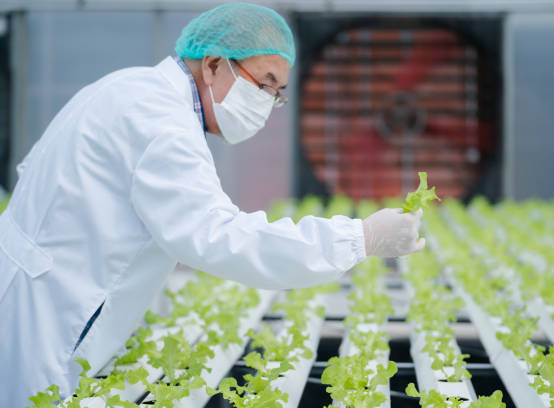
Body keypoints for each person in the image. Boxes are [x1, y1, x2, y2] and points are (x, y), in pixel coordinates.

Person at [0, 3, 425, 406]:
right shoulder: (163, 125)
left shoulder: (129, 86)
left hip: (36, 294)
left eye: (277, 93)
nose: (268, 102)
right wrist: (359, 237)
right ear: (214, 64)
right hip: (56, 319)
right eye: (264, 83)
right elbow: (219, 239)